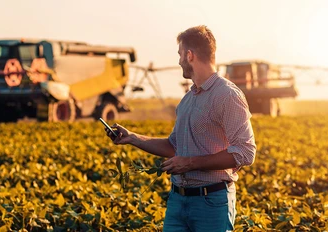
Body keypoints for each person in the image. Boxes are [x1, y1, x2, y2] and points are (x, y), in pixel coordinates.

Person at [104, 25, 256, 232]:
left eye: (180, 54)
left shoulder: (227, 95)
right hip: (177, 200)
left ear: (189, 55)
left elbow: (245, 152)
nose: (179, 61)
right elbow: (174, 146)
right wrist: (132, 138)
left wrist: (191, 163)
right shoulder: (187, 100)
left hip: (211, 202)